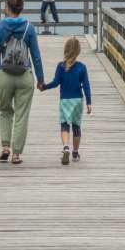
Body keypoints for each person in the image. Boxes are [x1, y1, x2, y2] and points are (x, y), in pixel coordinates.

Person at [0, 0, 44, 165]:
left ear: (7, 8)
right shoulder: (29, 28)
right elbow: (36, 56)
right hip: (24, 76)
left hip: (3, 75)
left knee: (5, 111)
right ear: (21, 8)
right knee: (21, 115)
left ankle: (5, 148)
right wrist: (40, 78)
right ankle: (16, 154)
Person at [40, 37, 92, 165]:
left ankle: (65, 147)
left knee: (64, 124)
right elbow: (86, 85)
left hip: (65, 101)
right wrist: (89, 103)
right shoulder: (82, 67)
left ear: (65, 50)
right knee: (76, 126)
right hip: (78, 101)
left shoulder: (61, 66)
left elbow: (56, 82)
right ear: (78, 51)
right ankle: (75, 152)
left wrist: (44, 87)